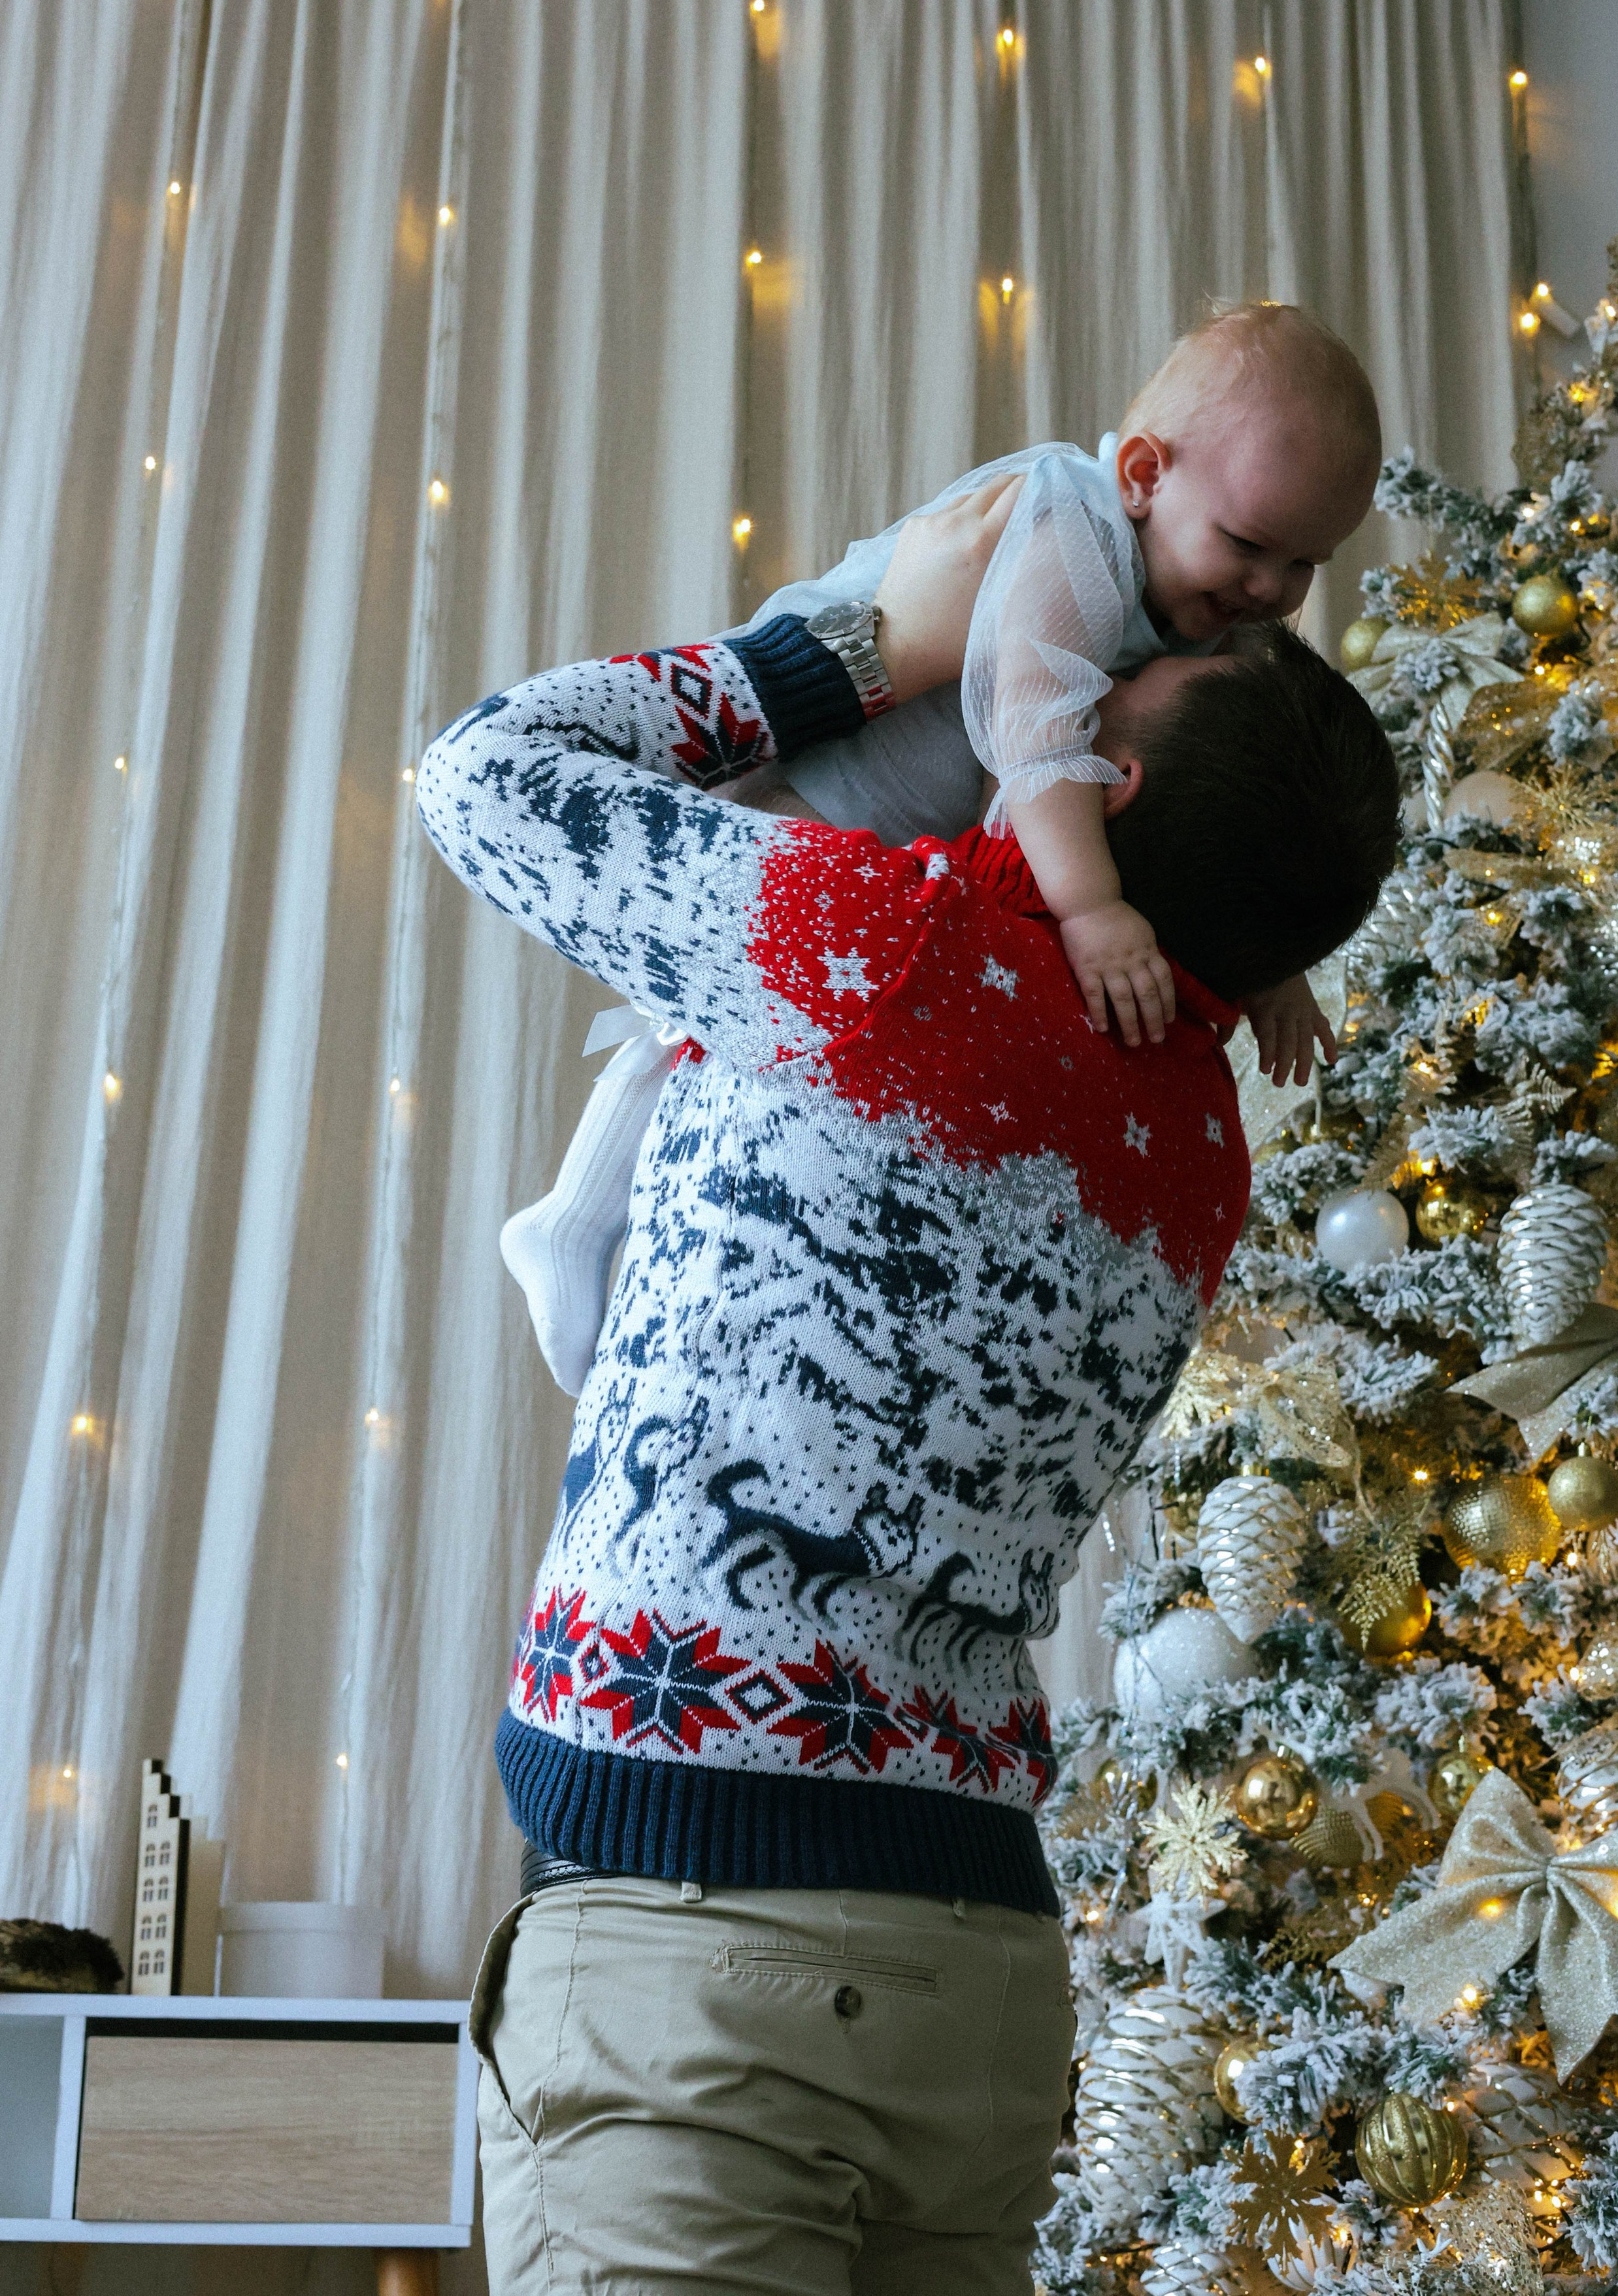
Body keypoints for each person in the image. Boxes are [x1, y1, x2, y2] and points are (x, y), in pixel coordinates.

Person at [416, 478, 1400, 2296]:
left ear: (1102, 790)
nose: (1038, 696)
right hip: (980, 1975)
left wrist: (858, 651)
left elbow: (484, 773)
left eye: (1080, 705)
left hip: (706, 1944)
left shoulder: (890, 954)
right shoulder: (1199, 1146)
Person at [501, 302, 1381, 1393]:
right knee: (700, 1007)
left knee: (742, 1033)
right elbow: (1037, 737)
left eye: (1306, 563)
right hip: (815, 780)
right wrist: (1094, 910)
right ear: (1144, 474)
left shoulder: (1205, 607)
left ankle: (593, 1225)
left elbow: (1234, 817)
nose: (1270, 592)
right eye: (1249, 546)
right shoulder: (1075, 530)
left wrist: (1274, 964)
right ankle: (573, 1217)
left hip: (893, 841)